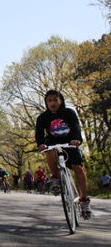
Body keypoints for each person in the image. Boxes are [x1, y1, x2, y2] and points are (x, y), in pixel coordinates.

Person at [35, 89, 92, 219]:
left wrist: (77, 139)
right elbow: (39, 133)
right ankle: (55, 177)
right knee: (49, 150)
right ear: (46, 103)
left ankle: (84, 201)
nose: (52, 103)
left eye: (55, 100)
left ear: (61, 101)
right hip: (54, 143)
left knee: (79, 169)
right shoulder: (43, 118)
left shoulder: (69, 113)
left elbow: (76, 126)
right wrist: (40, 144)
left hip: (70, 143)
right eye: (49, 100)